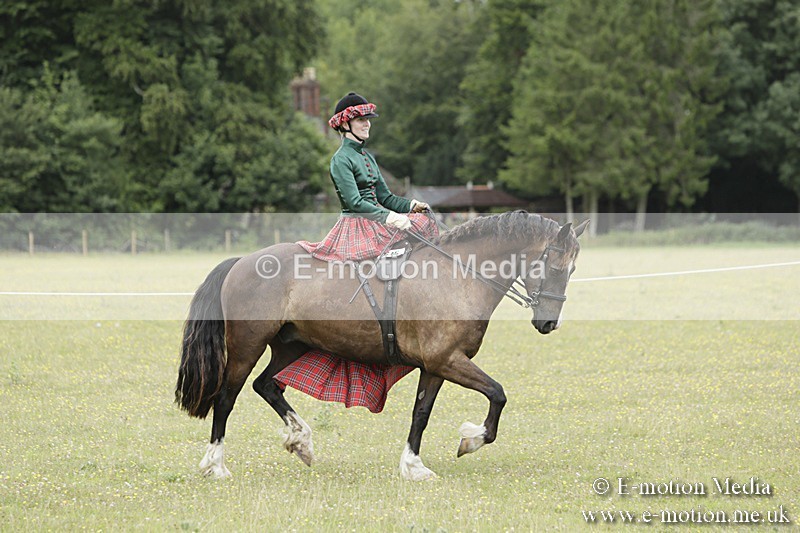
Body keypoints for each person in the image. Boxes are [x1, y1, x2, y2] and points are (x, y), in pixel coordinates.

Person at [298, 92, 438, 262]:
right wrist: (389, 217)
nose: (367, 124)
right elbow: (354, 203)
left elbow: (386, 198)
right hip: (356, 226)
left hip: (377, 221)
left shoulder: (368, 157)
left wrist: (411, 205)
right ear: (345, 124)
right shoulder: (340, 159)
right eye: (361, 120)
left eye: (368, 120)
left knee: (422, 221)